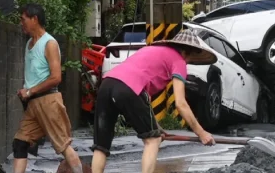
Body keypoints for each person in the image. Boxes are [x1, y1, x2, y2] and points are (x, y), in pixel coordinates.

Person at [91, 29, 217, 173]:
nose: (188, 63)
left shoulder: (151, 50)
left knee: (101, 146)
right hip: (129, 89)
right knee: (153, 140)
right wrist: (202, 133)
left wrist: (156, 127)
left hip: (107, 85)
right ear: (188, 52)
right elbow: (181, 104)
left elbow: (144, 102)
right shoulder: (179, 61)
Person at [12, 4, 84, 173]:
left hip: (48, 101)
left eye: (23, 19)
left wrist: (30, 91)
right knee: (20, 143)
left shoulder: (49, 43)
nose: (21, 23)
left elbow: (56, 77)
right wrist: (26, 91)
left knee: (63, 145)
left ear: (34, 19)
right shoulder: (29, 43)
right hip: (33, 105)